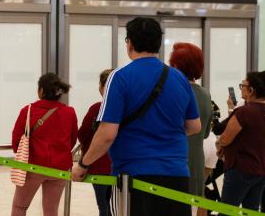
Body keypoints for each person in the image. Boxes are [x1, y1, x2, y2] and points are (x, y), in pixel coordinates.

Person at [72, 17, 201, 216]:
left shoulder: (120, 77)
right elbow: (194, 126)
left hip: (132, 175)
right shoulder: (179, 78)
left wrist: (83, 164)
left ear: (129, 43)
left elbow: (107, 133)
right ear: (158, 43)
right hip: (176, 174)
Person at [11, 73, 78, 216]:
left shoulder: (28, 111)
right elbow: (72, 140)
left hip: (33, 166)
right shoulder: (69, 112)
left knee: (20, 207)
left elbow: (16, 140)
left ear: (41, 91)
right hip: (60, 169)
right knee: (51, 210)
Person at [169, 42, 213, 216]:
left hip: (172, 162)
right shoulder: (205, 94)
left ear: (176, 65)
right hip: (195, 162)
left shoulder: (172, 91)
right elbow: (206, 133)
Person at [216, 71, 265, 214]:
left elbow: (225, 137)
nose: (241, 88)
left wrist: (221, 145)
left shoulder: (244, 112)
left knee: (226, 211)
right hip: (260, 171)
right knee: (251, 211)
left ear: (251, 90)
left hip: (240, 170)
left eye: (242, 85)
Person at [77, 69, 113, 216]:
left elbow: (83, 134)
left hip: (99, 165)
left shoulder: (97, 108)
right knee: (119, 205)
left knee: (104, 206)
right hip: (123, 167)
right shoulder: (128, 108)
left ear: (102, 87)